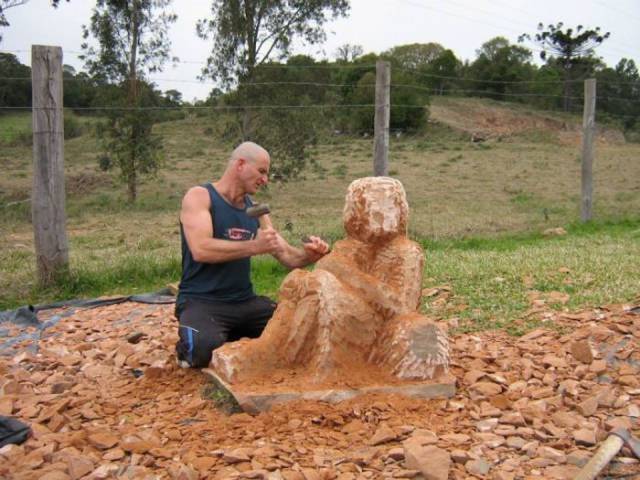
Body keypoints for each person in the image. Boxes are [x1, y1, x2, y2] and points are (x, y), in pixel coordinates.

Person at [175, 141, 330, 368]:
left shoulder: (256, 209)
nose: (265, 179)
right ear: (240, 164)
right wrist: (254, 247)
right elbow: (201, 249)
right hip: (202, 301)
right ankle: (191, 345)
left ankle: (231, 334)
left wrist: (310, 256)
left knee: (296, 330)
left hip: (244, 302)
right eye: (261, 171)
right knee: (201, 350)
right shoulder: (200, 196)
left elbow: (288, 257)